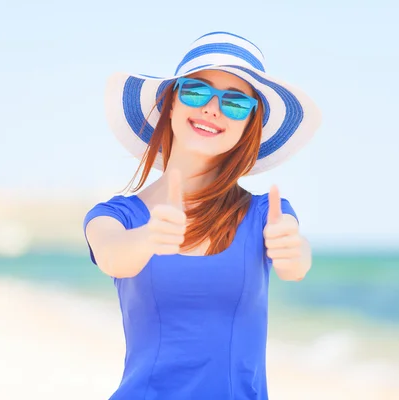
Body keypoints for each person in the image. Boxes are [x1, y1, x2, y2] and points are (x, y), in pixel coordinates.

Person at [83, 31, 321, 400]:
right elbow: (114, 256)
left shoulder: (263, 215)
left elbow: (296, 263)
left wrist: (294, 251)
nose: (213, 108)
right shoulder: (117, 215)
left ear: (249, 124)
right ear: (171, 102)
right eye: (197, 91)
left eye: (236, 102)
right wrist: (148, 237)